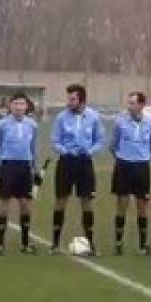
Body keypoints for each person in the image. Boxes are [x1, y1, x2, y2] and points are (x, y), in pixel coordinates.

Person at [50, 84, 105, 255]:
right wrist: (65, 151)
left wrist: (90, 151)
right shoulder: (61, 117)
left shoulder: (94, 117)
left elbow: (100, 140)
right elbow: (55, 140)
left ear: (81, 99)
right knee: (61, 200)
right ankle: (55, 243)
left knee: (86, 202)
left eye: (72, 98)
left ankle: (90, 243)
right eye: (68, 98)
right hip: (66, 163)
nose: (69, 101)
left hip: (84, 163)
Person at [0, 92, 40, 255]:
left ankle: (25, 243)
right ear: (10, 106)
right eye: (16, 104)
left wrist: (36, 169)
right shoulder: (1, 125)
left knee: (25, 204)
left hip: (25, 167)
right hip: (8, 166)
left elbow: (34, 149)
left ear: (26, 107)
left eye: (22, 104)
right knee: (4, 203)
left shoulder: (32, 125)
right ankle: (0, 244)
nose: (19, 107)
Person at [110, 91, 151, 256]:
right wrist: (123, 157)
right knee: (122, 206)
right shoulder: (120, 122)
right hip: (123, 166)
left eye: (132, 103)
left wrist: (143, 158)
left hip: (142, 168)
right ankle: (118, 243)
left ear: (141, 105)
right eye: (128, 102)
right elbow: (113, 145)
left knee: (142, 207)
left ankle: (143, 245)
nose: (129, 105)